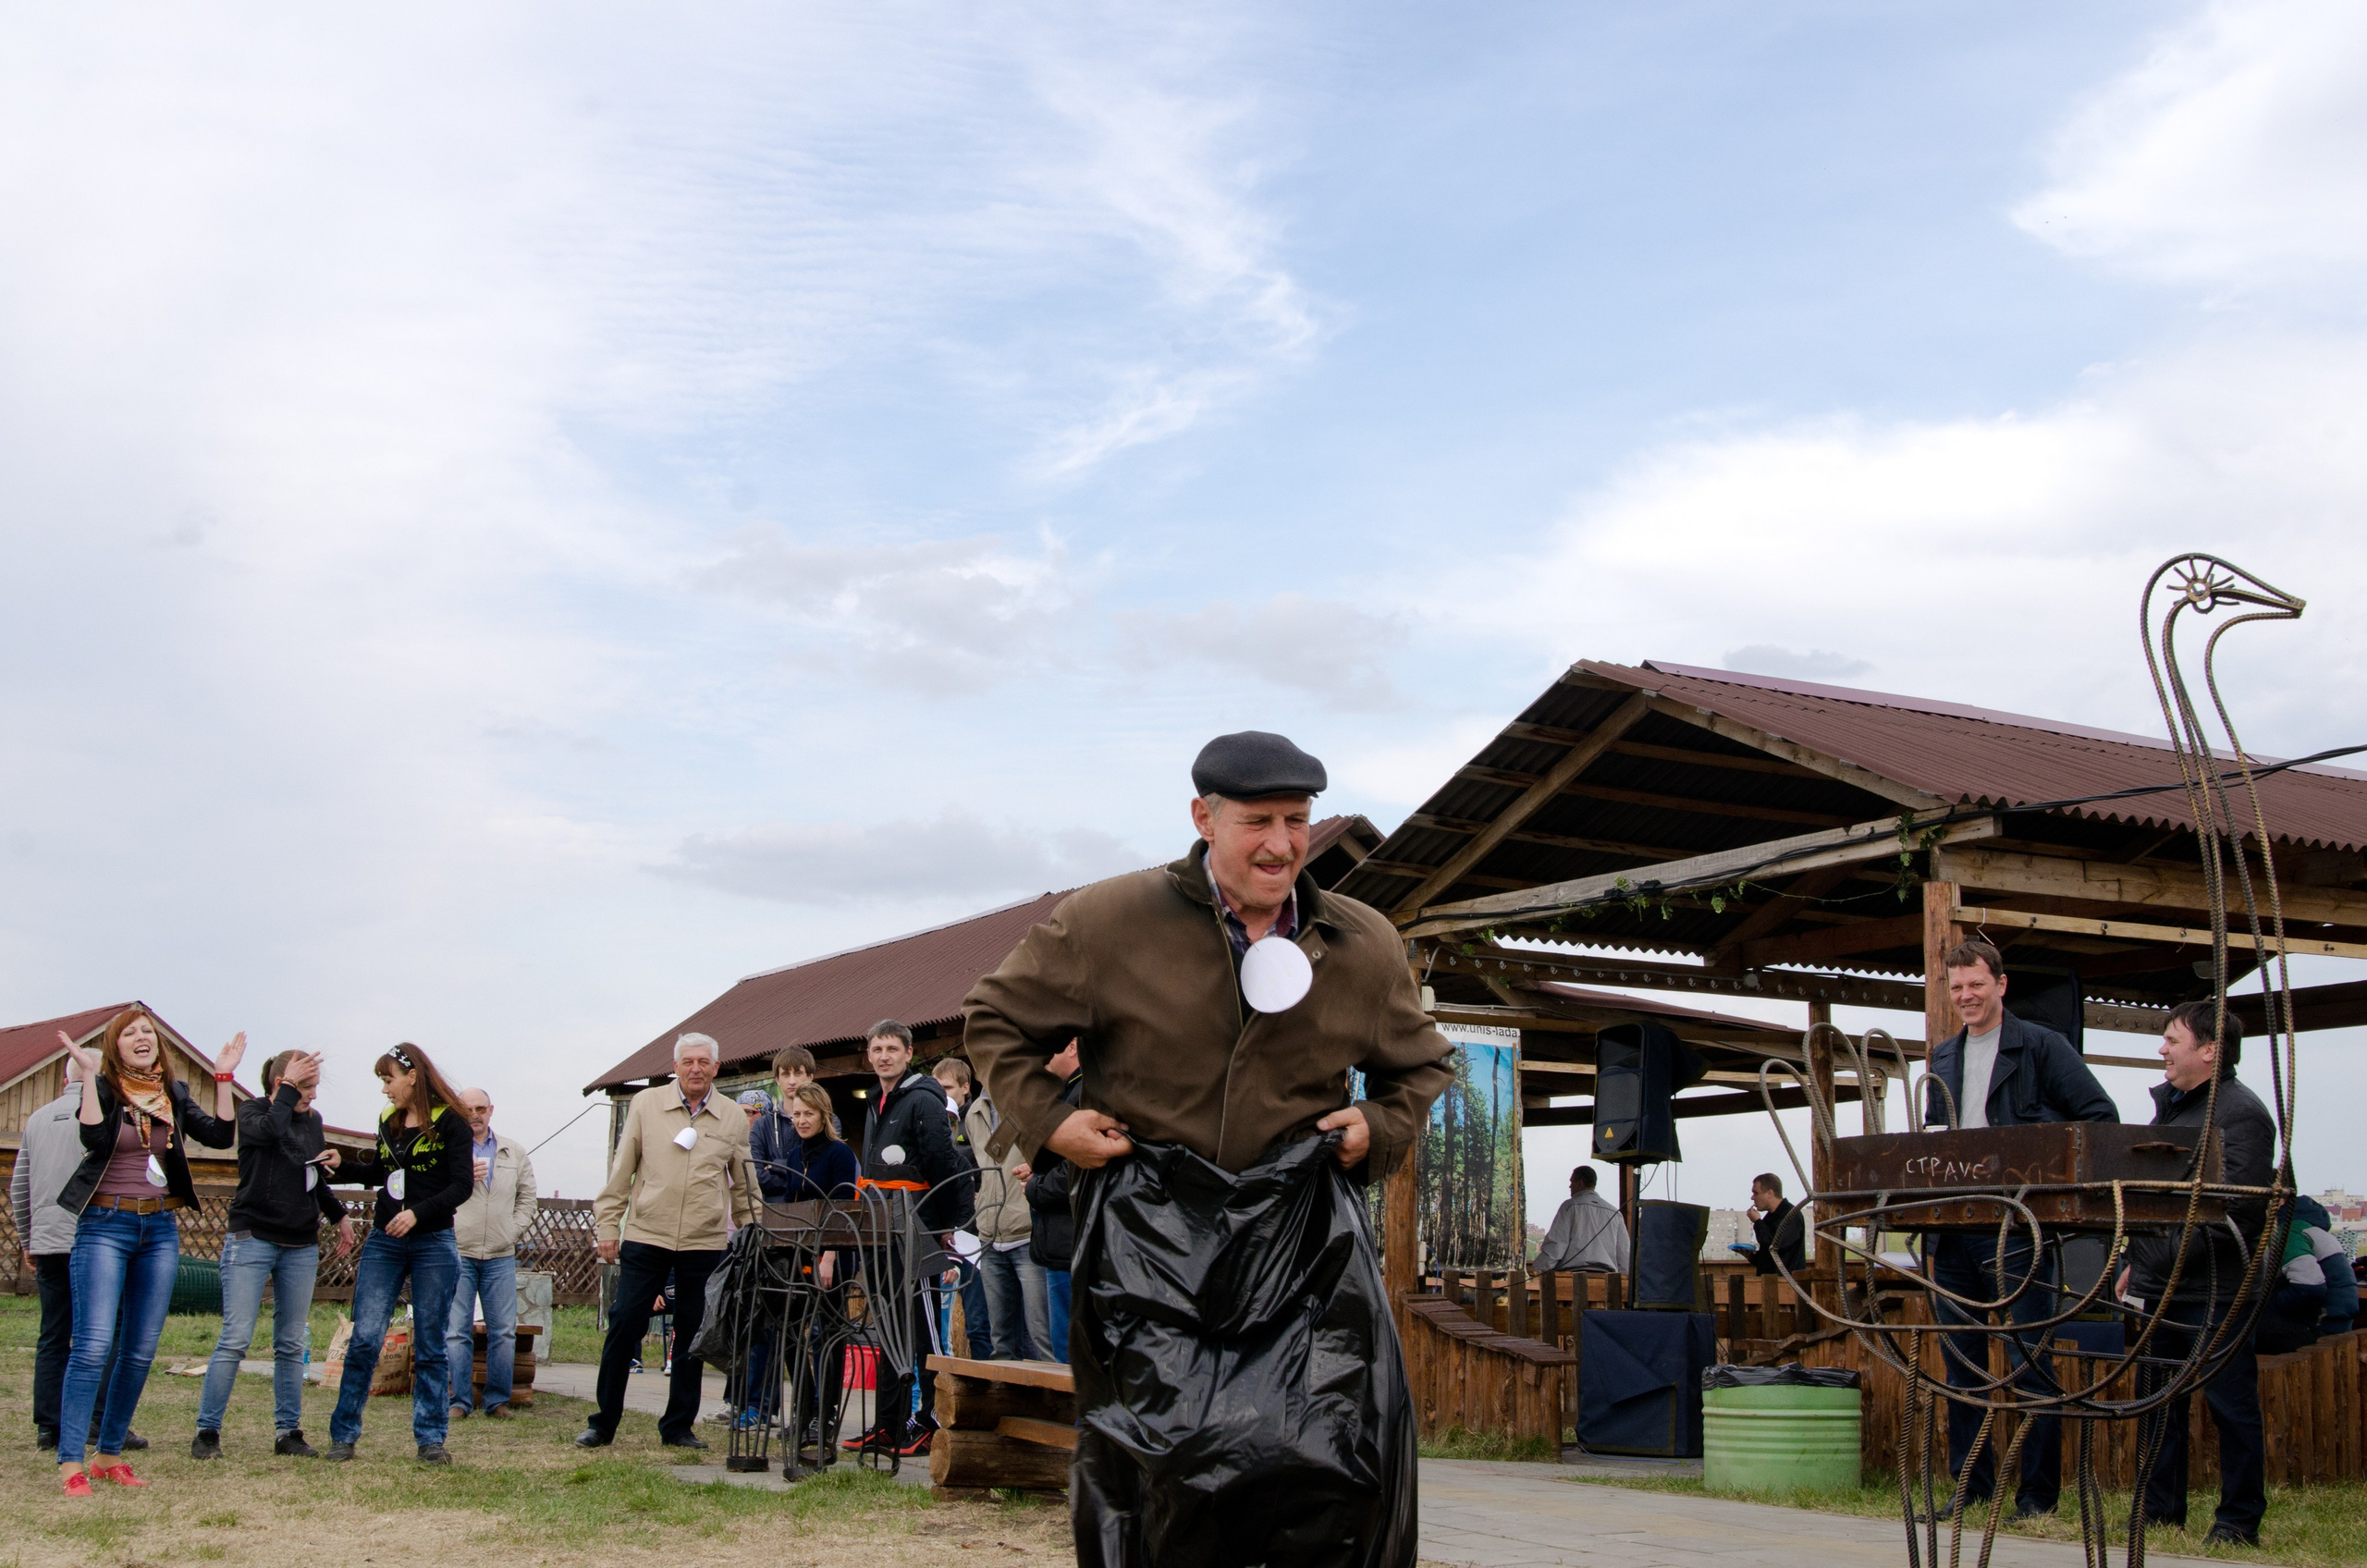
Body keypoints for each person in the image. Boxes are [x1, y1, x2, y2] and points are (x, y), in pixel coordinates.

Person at [964, 729, 1455, 1563]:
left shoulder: (1360, 941)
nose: (1282, 844)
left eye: (1297, 820)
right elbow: (995, 1019)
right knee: (1163, 1480)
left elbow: (1422, 1064)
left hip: (1305, 1256)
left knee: (1333, 1470)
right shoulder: (1108, 921)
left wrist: (1382, 1125)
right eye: (1258, 821)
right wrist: (1052, 1124)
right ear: (1204, 818)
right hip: (1148, 1251)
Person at [1919, 938, 2116, 1523]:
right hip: (1953, 1228)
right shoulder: (1943, 1056)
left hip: (2016, 1226)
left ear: (2001, 985)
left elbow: (2099, 1118)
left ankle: (2037, 1498)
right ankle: (1972, 1489)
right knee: (1961, 1365)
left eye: (1976, 985)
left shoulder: (2043, 1047)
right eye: (1957, 988)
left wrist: (2035, 1161)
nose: (1966, 996)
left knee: (2029, 1359)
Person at [54, 1008, 241, 1495]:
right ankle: (71, 1463)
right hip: (104, 1225)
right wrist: (90, 1077)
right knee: (93, 1345)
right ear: (115, 1046)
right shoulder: (103, 1087)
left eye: (147, 1032)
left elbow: (220, 1136)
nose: (142, 1037)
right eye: (130, 1033)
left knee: (139, 1352)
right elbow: (93, 1137)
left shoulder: (172, 1092)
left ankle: (108, 1456)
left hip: (158, 1228)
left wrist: (223, 1077)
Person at [2118, 1000, 2275, 1548]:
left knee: (2231, 1409)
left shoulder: (2242, 1114)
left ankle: (2238, 1522)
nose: (2162, 1049)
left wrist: (2159, 1257)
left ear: (2209, 1050)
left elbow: (2238, 1212)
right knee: (2158, 1406)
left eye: (2172, 1040)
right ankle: (2159, 1513)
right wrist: (2135, 1260)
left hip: (2216, 1289)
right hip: (2162, 1284)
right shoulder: (2174, 1110)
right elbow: (2156, 1199)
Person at [580, 1032, 758, 1451]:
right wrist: (608, 1226)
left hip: (704, 1241)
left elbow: (744, 1183)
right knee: (625, 1322)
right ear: (674, 1066)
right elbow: (622, 1170)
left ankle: (678, 1427)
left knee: (692, 1334)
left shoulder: (732, 1116)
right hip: (647, 1234)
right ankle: (602, 1423)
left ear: (716, 1068)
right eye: (688, 1061)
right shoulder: (646, 1104)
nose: (696, 1069)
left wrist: (753, 1233)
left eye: (704, 1062)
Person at [194, 1049, 355, 1460]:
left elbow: (312, 1173)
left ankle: (288, 1433)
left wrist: (339, 1216)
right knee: (235, 1338)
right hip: (253, 1237)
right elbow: (269, 1132)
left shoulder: (312, 1121)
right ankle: (207, 1432)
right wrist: (287, 1092)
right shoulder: (252, 1112)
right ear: (281, 1084)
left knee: (290, 1341)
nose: (312, 1095)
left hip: (300, 1243)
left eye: (314, 1087)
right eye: (305, 1086)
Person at [326, 1044, 475, 1464]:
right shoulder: (387, 1120)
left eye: (388, 1079)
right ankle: (343, 1437)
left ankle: (431, 1440)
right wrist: (343, 1166)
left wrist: (417, 1214)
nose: (384, 1089)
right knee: (364, 1339)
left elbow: (462, 1185)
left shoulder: (452, 1122)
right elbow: (382, 1171)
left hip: (434, 1243)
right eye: (382, 1081)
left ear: (413, 1077)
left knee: (430, 1345)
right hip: (384, 1241)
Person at [840, 1020, 975, 1457]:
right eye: (877, 1049)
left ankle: (931, 1421)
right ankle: (889, 1425)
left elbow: (944, 1164)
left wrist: (945, 1226)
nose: (884, 1057)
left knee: (924, 1333)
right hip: (881, 1231)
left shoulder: (923, 1100)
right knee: (890, 1331)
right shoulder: (875, 1102)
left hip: (918, 1232)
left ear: (909, 1053)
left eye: (892, 1049)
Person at [12, 1054, 142, 1456]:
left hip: (49, 1239)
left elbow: (20, 1186)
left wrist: (29, 1238)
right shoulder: (114, 1117)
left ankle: (49, 1426)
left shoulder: (37, 1119)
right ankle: (96, 1419)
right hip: (100, 1237)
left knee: (54, 1332)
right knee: (108, 1332)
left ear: (63, 1080)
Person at [768, 1084, 861, 1450]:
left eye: (809, 1113)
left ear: (824, 1116)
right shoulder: (794, 1155)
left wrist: (829, 1257)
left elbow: (843, 1206)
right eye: (797, 1114)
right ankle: (804, 1408)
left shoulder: (840, 1153)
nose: (802, 1120)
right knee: (791, 1330)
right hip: (801, 1254)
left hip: (834, 1254)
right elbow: (791, 1205)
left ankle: (827, 1411)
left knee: (829, 1332)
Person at [447, 1086, 538, 1424]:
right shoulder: (448, 1149)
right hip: (459, 1250)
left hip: (500, 1253)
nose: (475, 1115)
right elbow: (435, 1191)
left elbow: (527, 1197)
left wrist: (512, 1231)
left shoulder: (513, 1151)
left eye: (480, 1108)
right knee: (457, 1331)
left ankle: (497, 1401)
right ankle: (459, 1400)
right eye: (468, 1109)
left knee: (503, 1331)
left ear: (491, 1110)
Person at [964, 1058, 1048, 1361]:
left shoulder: (1032, 1104)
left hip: (1027, 1233)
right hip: (989, 1236)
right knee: (1000, 1340)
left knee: (1041, 1336)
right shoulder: (973, 1113)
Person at [1022, 1040, 1084, 1363]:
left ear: (1072, 1046)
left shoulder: (1084, 1093)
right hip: (1057, 1244)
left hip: (1072, 1243)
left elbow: (1078, 1166)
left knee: (1069, 1350)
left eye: (1048, 1047)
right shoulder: (1063, 1093)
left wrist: (1035, 1187)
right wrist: (1037, 1168)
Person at [931, 1056, 994, 1359]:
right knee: (958, 1321)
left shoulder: (977, 1119)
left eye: (947, 1088)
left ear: (966, 1087)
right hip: (950, 1232)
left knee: (982, 1319)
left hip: (979, 1230)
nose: (941, 1094)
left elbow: (984, 1167)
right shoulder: (932, 1122)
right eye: (937, 1088)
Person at [1531, 1164, 1628, 1274]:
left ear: (1580, 1183)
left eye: (1571, 1182)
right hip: (1607, 1277)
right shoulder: (1615, 1213)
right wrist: (1625, 1279)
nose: (1570, 1186)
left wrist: (1539, 1269)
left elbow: (1557, 1245)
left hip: (1574, 1275)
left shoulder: (1570, 1206)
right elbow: (1624, 1253)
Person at [1745, 1172, 1807, 1277]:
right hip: (1770, 1281)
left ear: (1770, 1193)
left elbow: (1774, 1246)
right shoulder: (1769, 1217)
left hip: (1787, 1282)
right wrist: (1751, 1256)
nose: (1752, 1198)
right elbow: (1769, 1257)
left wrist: (1758, 1222)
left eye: (1756, 1193)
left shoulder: (1791, 1215)